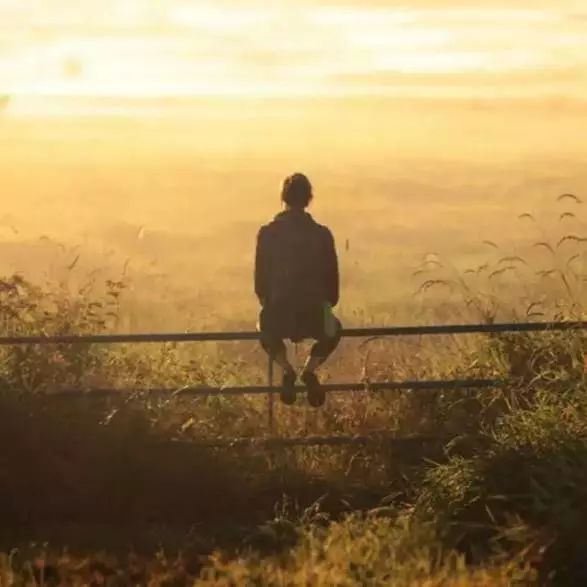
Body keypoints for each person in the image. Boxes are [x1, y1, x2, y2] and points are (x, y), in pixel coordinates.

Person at [255, 173, 342, 407]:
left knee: (263, 327)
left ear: (283, 198)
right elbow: (332, 283)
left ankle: (287, 370)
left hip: (279, 313)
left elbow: (260, 281)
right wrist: (326, 305)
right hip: (314, 312)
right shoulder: (322, 234)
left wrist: (269, 304)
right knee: (334, 329)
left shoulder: (268, 233)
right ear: (308, 199)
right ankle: (309, 371)